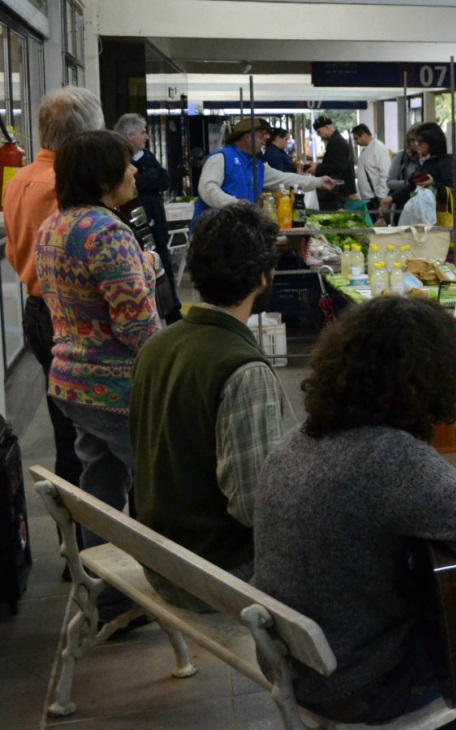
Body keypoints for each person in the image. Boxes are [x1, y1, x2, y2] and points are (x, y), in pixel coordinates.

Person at [253, 296, 456, 730]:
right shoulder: (390, 458)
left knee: (441, 588)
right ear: (432, 381)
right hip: (368, 686)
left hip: (301, 669)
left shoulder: (294, 445)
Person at [131, 202, 285, 611]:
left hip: (160, 555)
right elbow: (255, 507)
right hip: (213, 571)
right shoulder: (243, 369)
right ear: (261, 279)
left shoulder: (157, 344)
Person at [36, 129, 163, 623]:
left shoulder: (56, 226)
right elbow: (137, 324)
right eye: (127, 164)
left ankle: (108, 593)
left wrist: (143, 264)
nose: (135, 171)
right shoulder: (107, 232)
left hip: (69, 380)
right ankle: (170, 584)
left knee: (102, 485)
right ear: (104, 175)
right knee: (157, 484)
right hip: (118, 387)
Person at [4, 86, 105, 490]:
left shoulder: (19, 178)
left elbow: (15, 251)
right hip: (71, 318)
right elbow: (82, 260)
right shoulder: (65, 186)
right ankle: (91, 536)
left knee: (65, 428)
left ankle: (73, 541)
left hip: (37, 310)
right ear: (85, 135)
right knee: (89, 438)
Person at [114, 113, 182, 324]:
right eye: (143, 132)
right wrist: (144, 181)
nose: (146, 137)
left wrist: (140, 180)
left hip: (155, 225)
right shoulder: (117, 159)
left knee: (164, 266)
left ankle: (173, 312)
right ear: (130, 135)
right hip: (134, 226)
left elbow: (162, 180)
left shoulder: (146, 156)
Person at [194, 117, 331, 223]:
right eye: (260, 136)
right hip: (211, 234)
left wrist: (318, 182)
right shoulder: (221, 158)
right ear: (247, 137)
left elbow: (284, 179)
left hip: (237, 233)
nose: (265, 140)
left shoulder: (257, 165)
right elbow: (207, 188)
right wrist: (235, 203)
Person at [310, 116, 357, 211]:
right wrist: (317, 166)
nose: (319, 135)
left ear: (327, 127)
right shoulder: (335, 141)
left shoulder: (337, 142)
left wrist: (317, 168)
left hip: (338, 191)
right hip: (336, 190)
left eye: (319, 132)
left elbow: (337, 166)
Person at [382, 123, 422, 216]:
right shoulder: (401, 157)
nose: (415, 143)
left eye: (418, 139)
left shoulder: (429, 158)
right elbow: (389, 182)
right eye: (412, 140)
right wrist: (410, 184)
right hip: (402, 205)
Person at [352, 123, 391, 215]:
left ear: (364, 135)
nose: (355, 142)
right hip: (367, 197)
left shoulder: (378, 148)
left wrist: (381, 194)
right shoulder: (365, 150)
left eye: (356, 138)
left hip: (376, 197)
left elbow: (385, 172)